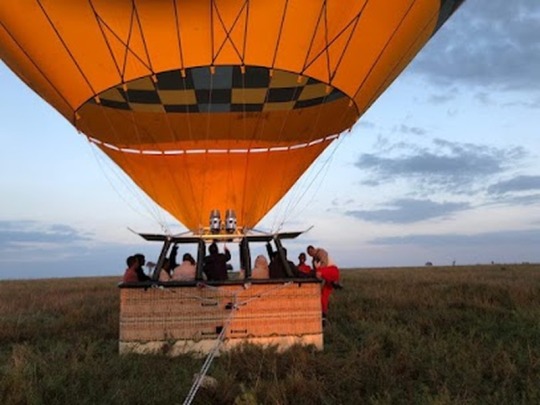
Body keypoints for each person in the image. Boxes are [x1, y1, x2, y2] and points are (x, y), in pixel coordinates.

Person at [314, 258, 340, 324]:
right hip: (329, 277)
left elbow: (318, 273)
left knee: (324, 297)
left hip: (329, 273)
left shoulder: (323, 267)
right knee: (324, 298)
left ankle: (323, 315)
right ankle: (323, 316)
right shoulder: (325, 268)